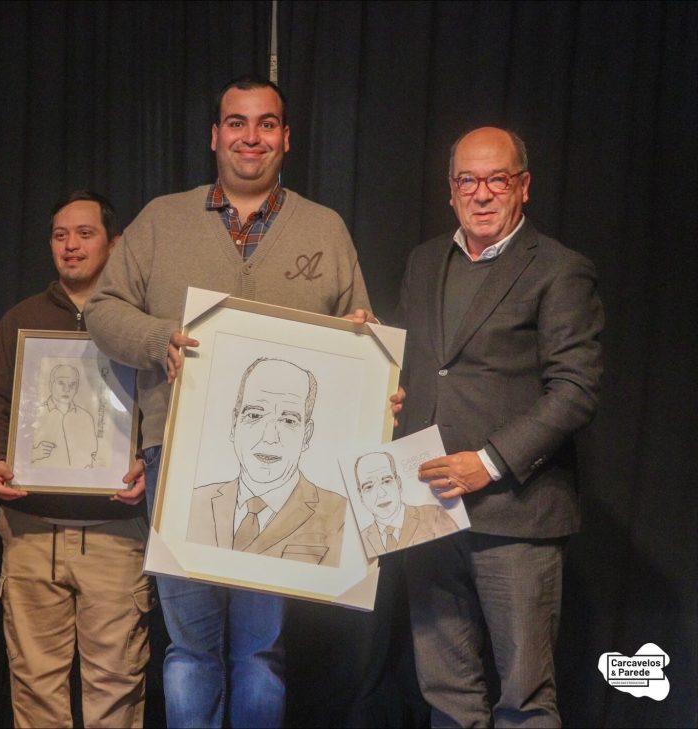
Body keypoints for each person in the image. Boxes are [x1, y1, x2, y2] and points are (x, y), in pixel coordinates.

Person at [85, 75, 399, 728]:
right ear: (214, 136)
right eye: (236, 122)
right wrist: (159, 341)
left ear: (286, 138)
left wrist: (372, 376)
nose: (250, 137)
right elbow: (103, 310)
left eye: (265, 124)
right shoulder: (161, 220)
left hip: (287, 474)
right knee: (190, 648)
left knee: (260, 650)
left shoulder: (325, 228)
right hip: (178, 458)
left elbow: (361, 328)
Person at [395, 127, 603, 726]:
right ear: (450, 189)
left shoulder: (560, 270)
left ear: (523, 186)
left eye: (497, 180)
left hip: (517, 516)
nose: (482, 194)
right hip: (428, 511)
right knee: (446, 695)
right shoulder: (425, 261)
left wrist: (486, 463)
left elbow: (575, 390)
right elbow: (414, 367)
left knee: (524, 701)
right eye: (468, 180)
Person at [0, 190, 153, 728]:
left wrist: (149, 460)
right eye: (60, 235)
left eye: (85, 234)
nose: (71, 245)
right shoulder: (22, 319)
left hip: (116, 536)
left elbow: (172, 406)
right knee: (35, 688)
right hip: (29, 533)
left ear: (114, 243)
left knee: (115, 688)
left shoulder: (140, 321)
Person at [187, 357, 346, 567]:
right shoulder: (194, 502)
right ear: (234, 424)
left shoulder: (339, 516)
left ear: (306, 435)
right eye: (254, 415)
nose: (269, 437)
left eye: (288, 420)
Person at [354, 451, 458, 558]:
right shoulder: (361, 541)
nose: (381, 493)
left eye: (386, 481)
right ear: (361, 496)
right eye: (369, 487)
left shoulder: (435, 515)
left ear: (398, 483)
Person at [32, 363, 98, 467]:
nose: (67, 389)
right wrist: (35, 453)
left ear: (77, 388)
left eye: (72, 384)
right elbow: (19, 457)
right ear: (51, 384)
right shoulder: (35, 415)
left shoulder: (86, 417)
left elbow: (93, 454)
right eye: (61, 383)